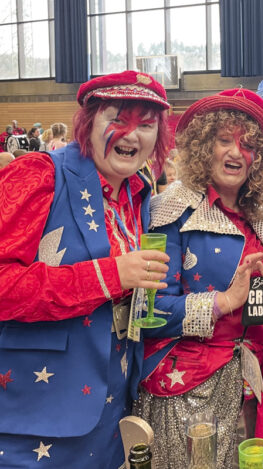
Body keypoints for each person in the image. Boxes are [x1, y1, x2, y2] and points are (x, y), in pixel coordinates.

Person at [0, 70, 171, 467]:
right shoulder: (39, 174)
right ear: (89, 122)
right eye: (118, 119)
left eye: (146, 125)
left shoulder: (137, 193)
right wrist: (111, 276)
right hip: (34, 415)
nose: (131, 135)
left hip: (111, 408)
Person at [133, 89, 263, 469]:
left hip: (259, 388)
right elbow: (147, 312)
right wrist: (223, 301)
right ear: (203, 145)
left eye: (247, 146)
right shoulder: (169, 209)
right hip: (191, 396)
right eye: (224, 140)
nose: (235, 153)